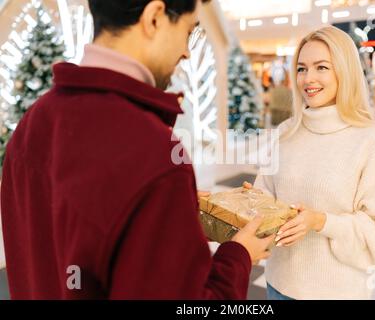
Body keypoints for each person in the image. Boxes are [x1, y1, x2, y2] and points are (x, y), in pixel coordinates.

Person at [0, 0, 274, 299]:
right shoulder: (154, 153)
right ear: (155, 17)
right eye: (188, 31)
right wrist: (238, 255)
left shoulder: (34, 120)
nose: (186, 51)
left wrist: (168, 213)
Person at [252, 26, 375, 300]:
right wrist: (248, 203)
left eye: (321, 67)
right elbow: (265, 195)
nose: (308, 79)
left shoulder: (370, 139)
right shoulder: (286, 132)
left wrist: (321, 221)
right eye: (301, 68)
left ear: (344, 71)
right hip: (278, 285)